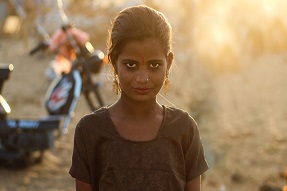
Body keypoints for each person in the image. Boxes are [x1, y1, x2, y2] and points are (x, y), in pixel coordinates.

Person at [69, 4, 209, 191]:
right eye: (131, 65)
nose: (142, 78)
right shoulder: (90, 131)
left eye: (154, 65)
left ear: (168, 63)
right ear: (113, 62)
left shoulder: (184, 129)